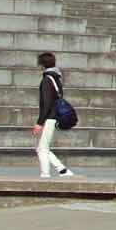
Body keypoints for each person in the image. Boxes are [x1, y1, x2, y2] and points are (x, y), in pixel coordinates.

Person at [33, 51, 75, 179]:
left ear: (42, 64)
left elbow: (46, 103)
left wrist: (39, 123)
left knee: (42, 149)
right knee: (43, 147)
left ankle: (45, 174)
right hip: (54, 116)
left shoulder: (47, 80)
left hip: (49, 117)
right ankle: (62, 170)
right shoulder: (56, 78)